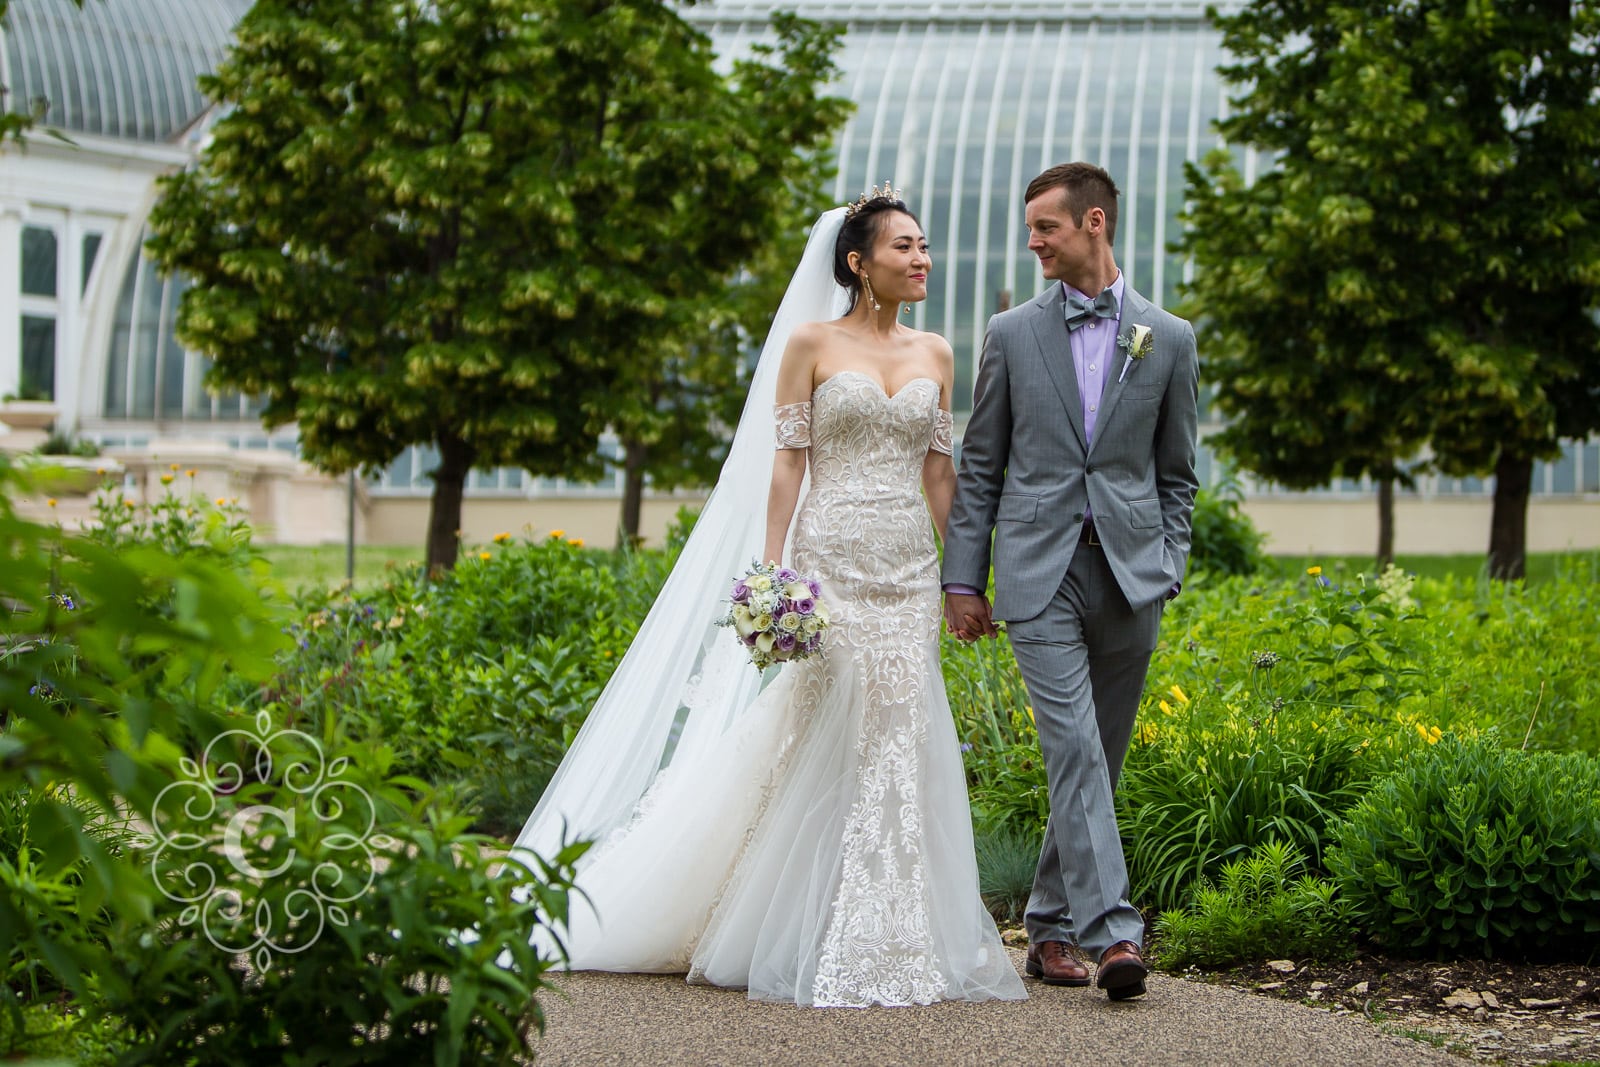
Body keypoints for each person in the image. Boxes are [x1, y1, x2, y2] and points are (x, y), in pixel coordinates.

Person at [508, 189, 1026, 1008]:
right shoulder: (811, 343)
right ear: (859, 262)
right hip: (830, 562)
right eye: (904, 246)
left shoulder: (936, 352)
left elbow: (938, 473)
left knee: (902, 728)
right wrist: (774, 572)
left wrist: (965, 575)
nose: (922, 258)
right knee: (833, 726)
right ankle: (797, 912)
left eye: (924, 245)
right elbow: (788, 462)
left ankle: (893, 921)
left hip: (905, 568)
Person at [941, 162, 1200, 1000]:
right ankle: (1115, 933)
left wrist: (1169, 563)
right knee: (1075, 746)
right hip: (1036, 570)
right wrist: (962, 579)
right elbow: (980, 466)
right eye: (1029, 231)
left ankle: (1047, 927)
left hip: (1132, 575)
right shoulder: (1011, 332)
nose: (1032, 244)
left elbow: (1178, 475)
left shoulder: (1170, 337)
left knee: (1100, 760)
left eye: (1045, 228)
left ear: (1093, 222)